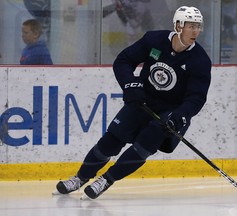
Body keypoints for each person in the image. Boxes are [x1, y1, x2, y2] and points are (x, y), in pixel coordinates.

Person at [53, 6, 211, 199]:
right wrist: (131, 84)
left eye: (198, 27)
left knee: (143, 147)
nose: (196, 31)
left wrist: (179, 116)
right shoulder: (154, 40)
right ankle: (80, 177)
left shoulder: (200, 60)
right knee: (110, 142)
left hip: (169, 112)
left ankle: (106, 180)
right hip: (141, 102)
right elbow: (124, 60)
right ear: (178, 25)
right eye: (191, 26)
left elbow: (196, 98)